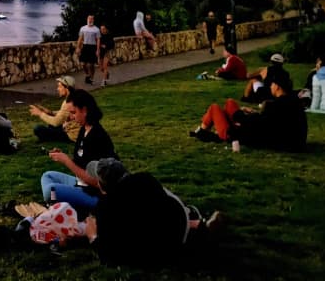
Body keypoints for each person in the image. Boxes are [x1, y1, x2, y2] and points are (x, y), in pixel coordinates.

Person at [83, 158, 223, 268]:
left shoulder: (106, 208)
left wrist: (93, 236)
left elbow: (110, 255)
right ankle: (199, 227)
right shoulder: (145, 179)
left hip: (155, 255)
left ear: (101, 185)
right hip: (178, 231)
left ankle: (198, 232)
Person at [40, 89, 116, 215]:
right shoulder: (83, 130)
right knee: (48, 176)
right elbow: (82, 161)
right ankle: (56, 205)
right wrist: (62, 155)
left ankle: (56, 206)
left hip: (93, 193)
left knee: (50, 191)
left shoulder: (98, 137)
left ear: (84, 110)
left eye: (73, 112)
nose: (71, 117)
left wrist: (67, 161)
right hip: (79, 183)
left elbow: (98, 183)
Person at [190, 74, 307, 151]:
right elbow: (267, 121)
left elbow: (257, 125)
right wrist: (253, 113)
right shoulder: (294, 103)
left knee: (215, 107)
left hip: (246, 136)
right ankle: (202, 131)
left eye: (272, 84)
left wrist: (241, 115)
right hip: (292, 142)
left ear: (277, 87)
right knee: (229, 103)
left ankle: (202, 130)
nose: (270, 86)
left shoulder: (273, 105)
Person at [29, 75, 81, 143]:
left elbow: (55, 122)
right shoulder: (75, 97)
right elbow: (64, 113)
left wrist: (40, 113)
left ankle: (48, 138)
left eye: (59, 86)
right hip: (75, 131)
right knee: (51, 125)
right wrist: (50, 112)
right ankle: (48, 136)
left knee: (38, 129)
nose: (57, 89)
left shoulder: (68, 102)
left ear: (67, 88)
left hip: (72, 136)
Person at [76, 15, 101, 84]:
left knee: (91, 65)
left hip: (93, 47)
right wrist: (78, 47)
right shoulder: (83, 28)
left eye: (92, 19)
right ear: (87, 19)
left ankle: (91, 78)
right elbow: (80, 38)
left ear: (93, 20)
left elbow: (98, 40)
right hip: (85, 47)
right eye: (89, 19)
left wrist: (98, 50)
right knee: (83, 64)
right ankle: (87, 75)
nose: (90, 20)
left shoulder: (96, 29)